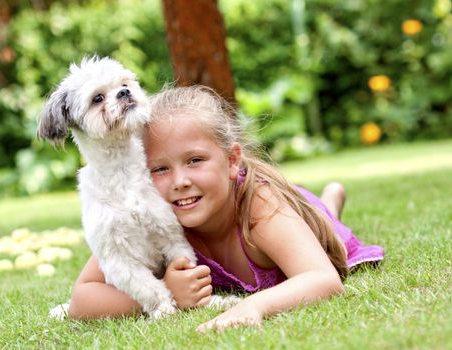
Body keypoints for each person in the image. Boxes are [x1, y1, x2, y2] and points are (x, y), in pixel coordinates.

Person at [68, 85, 384, 331]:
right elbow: (82, 299)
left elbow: (322, 278)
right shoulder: (153, 214)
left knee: (327, 229)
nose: (179, 181)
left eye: (195, 161)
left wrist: (253, 306)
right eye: (159, 169)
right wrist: (166, 292)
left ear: (232, 161)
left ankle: (328, 204)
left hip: (292, 214)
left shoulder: (259, 207)